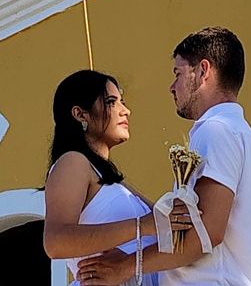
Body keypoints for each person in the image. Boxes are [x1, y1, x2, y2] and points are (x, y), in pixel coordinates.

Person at [80, 27, 251, 286]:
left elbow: (206, 232)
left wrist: (125, 267)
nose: (172, 87)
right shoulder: (238, 134)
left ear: (203, 71)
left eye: (178, 74)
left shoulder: (216, 130)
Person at [44, 69, 173, 285]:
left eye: (123, 102)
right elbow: (55, 242)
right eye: (112, 102)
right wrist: (141, 226)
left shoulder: (113, 181)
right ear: (80, 114)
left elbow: (160, 223)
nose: (126, 111)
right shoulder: (73, 161)